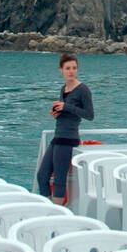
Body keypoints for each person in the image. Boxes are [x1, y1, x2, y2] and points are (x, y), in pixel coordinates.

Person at [37, 53, 94, 205]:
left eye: (74, 68)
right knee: (42, 176)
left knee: (60, 180)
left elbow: (89, 115)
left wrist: (66, 106)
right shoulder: (63, 88)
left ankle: (56, 215)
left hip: (69, 139)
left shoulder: (83, 89)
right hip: (58, 137)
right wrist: (58, 114)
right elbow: (69, 113)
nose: (71, 71)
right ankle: (49, 209)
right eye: (67, 68)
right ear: (60, 70)